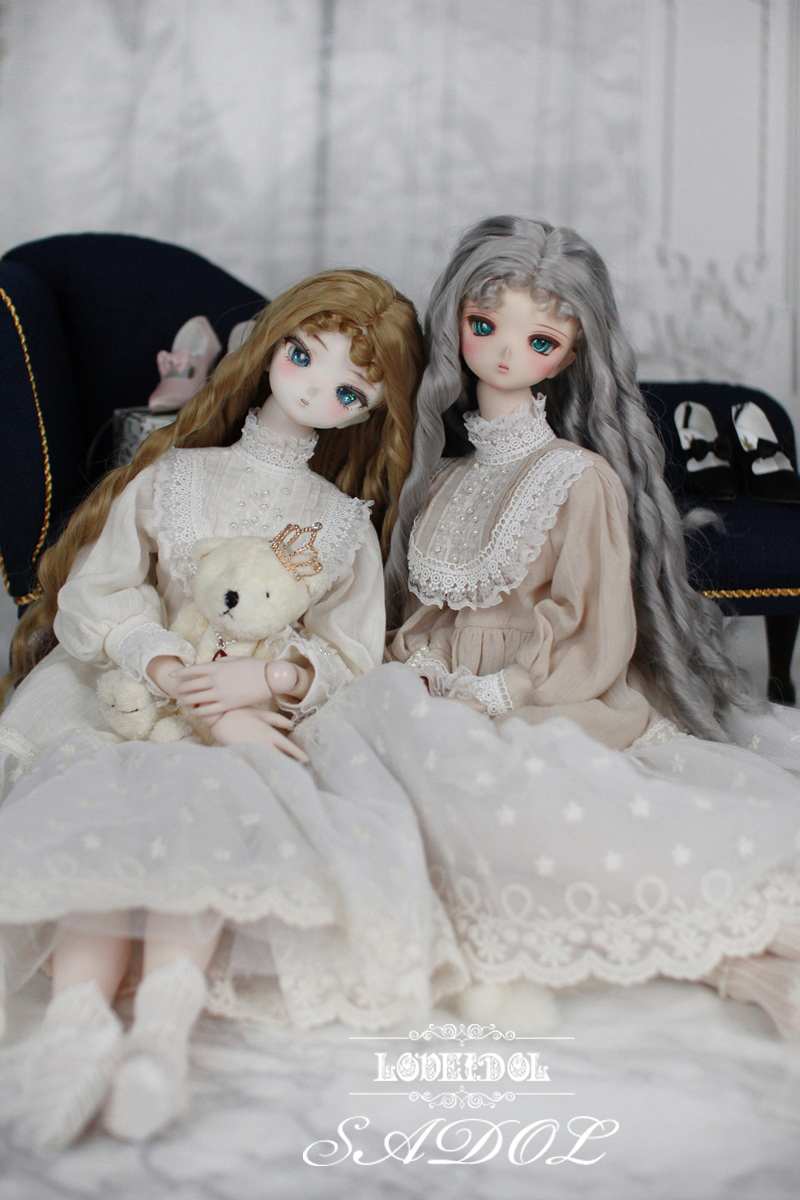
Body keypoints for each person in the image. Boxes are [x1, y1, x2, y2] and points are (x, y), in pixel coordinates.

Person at [302, 216, 800, 1043]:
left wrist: (507, 690)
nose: (505, 353)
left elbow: (595, 633)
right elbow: (426, 614)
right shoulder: (445, 479)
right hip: (439, 693)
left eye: (539, 340)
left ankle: (733, 947)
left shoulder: (577, 479)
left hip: (548, 696)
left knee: (533, 806)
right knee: (394, 796)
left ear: (569, 355)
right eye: (485, 325)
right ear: (455, 323)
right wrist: (421, 669)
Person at [0, 269, 435, 1149]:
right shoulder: (177, 477)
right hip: (128, 696)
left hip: (242, 716)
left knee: (203, 824)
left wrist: (271, 680)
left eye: (348, 390)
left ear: (366, 411)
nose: (315, 389)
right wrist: (160, 659)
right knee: (101, 820)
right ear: (270, 347)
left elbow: (353, 649)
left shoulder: (340, 522)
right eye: (304, 357)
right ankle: (76, 1025)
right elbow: (100, 592)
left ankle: (162, 1037)